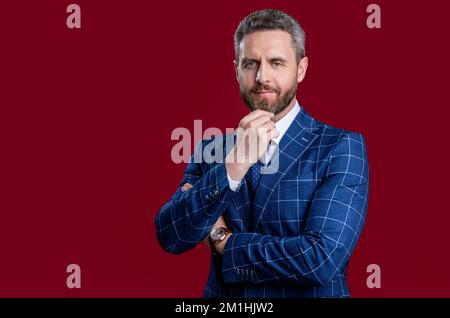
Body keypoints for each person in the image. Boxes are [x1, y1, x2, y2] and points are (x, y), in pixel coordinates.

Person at [155, 9, 369, 298]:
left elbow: (321, 260)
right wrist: (235, 165)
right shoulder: (211, 150)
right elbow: (171, 236)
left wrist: (224, 241)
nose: (261, 76)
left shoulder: (341, 147)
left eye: (276, 62)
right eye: (250, 63)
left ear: (301, 69)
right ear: (236, 70)